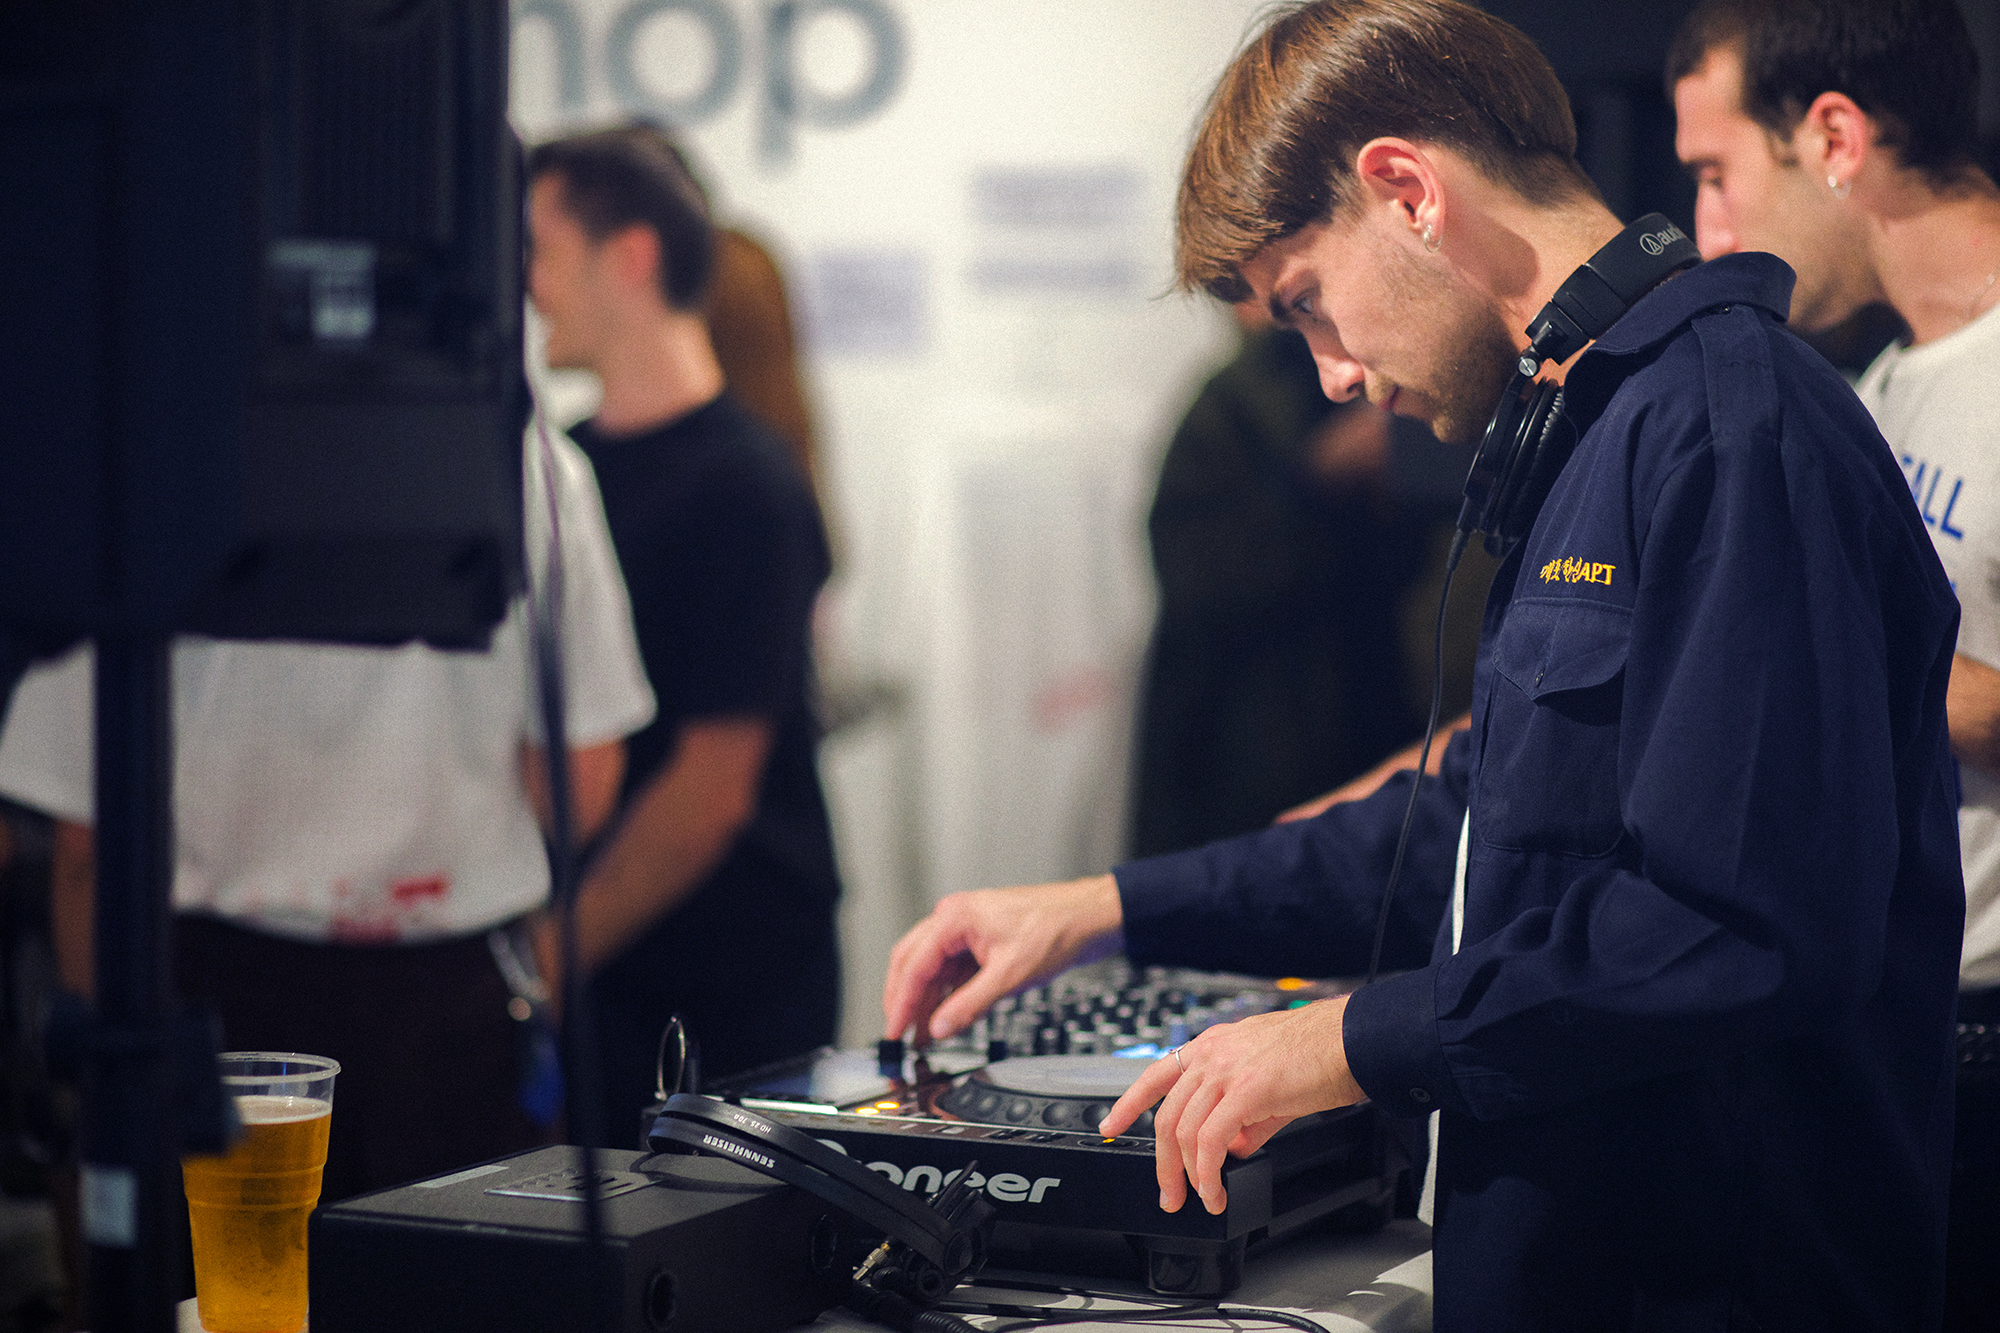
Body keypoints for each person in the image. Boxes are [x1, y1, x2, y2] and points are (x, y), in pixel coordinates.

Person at [881, 2, 1963, 1328]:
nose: (1332, 374)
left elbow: (1733, 928)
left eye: (1308, 304)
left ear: (1406, 190)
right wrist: (1102, 906)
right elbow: (1473, 832)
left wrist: (1346, 1043)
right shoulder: (1597, 433)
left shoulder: (1734, 431)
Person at [0, 439, 656, 1202]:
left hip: (209, 1007)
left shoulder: (140, 450)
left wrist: (109, 1094)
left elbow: (91, 836)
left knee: (229, 1275)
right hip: (453, 1005)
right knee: (463, 1271)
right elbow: (579, 782)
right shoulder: (522, 450)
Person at [1667, 3, 2000, 1326]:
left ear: (1835, 138)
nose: (1706, 228)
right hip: (1895, 1030)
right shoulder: (1875, 388)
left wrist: (1815, 664)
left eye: (1716, 174)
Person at [523, 124, 842, 1148]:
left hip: (728, 984)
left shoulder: (745, 485)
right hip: (610, 975)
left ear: (630, 256)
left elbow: (710, 789)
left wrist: (539, 962)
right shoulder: (561, 468)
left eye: (540, 250)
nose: (524, 285)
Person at [1131, 301, 1428, 857]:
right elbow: (1196, 568)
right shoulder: (1238, 400)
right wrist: (1317, 479)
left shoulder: (1374, 382)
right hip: (1246, 745)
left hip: (1365, 724)